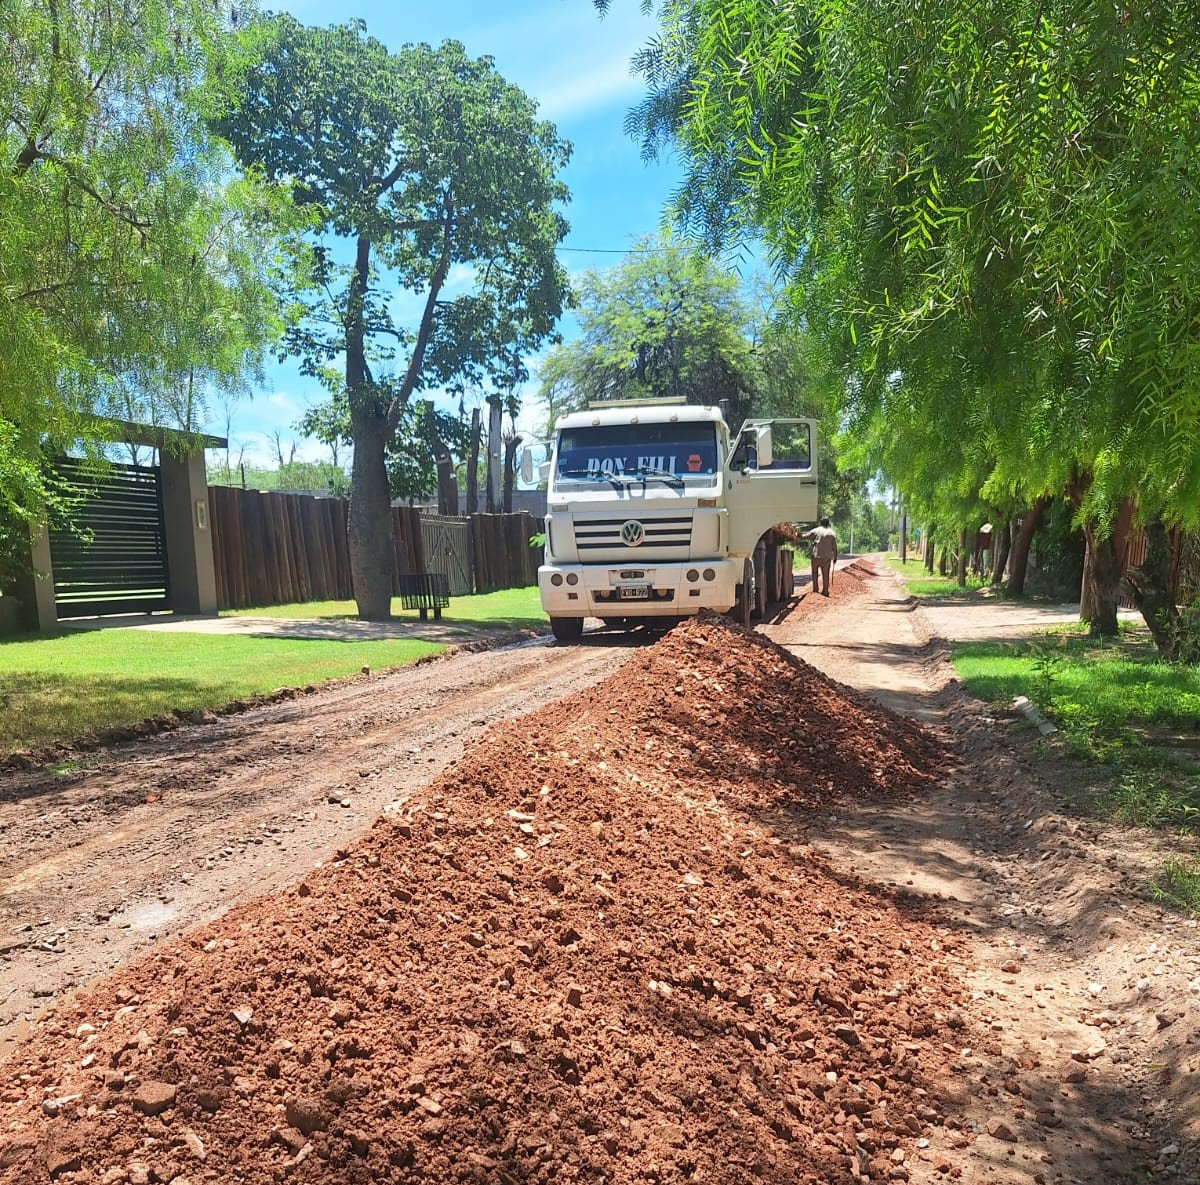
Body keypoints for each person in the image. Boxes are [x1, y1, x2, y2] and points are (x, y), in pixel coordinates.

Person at [803, 517, 838, 596]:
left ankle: (815, 590)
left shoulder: (816, 530)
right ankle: (825, 591)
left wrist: (797, 535)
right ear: (828, 523)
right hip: (826, 558)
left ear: (820, 523)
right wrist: (835, 558)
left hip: (816, 557)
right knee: (825, 575)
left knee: (814, 574)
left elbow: (806, 536)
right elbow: (835, 548)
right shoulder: (831, 533)